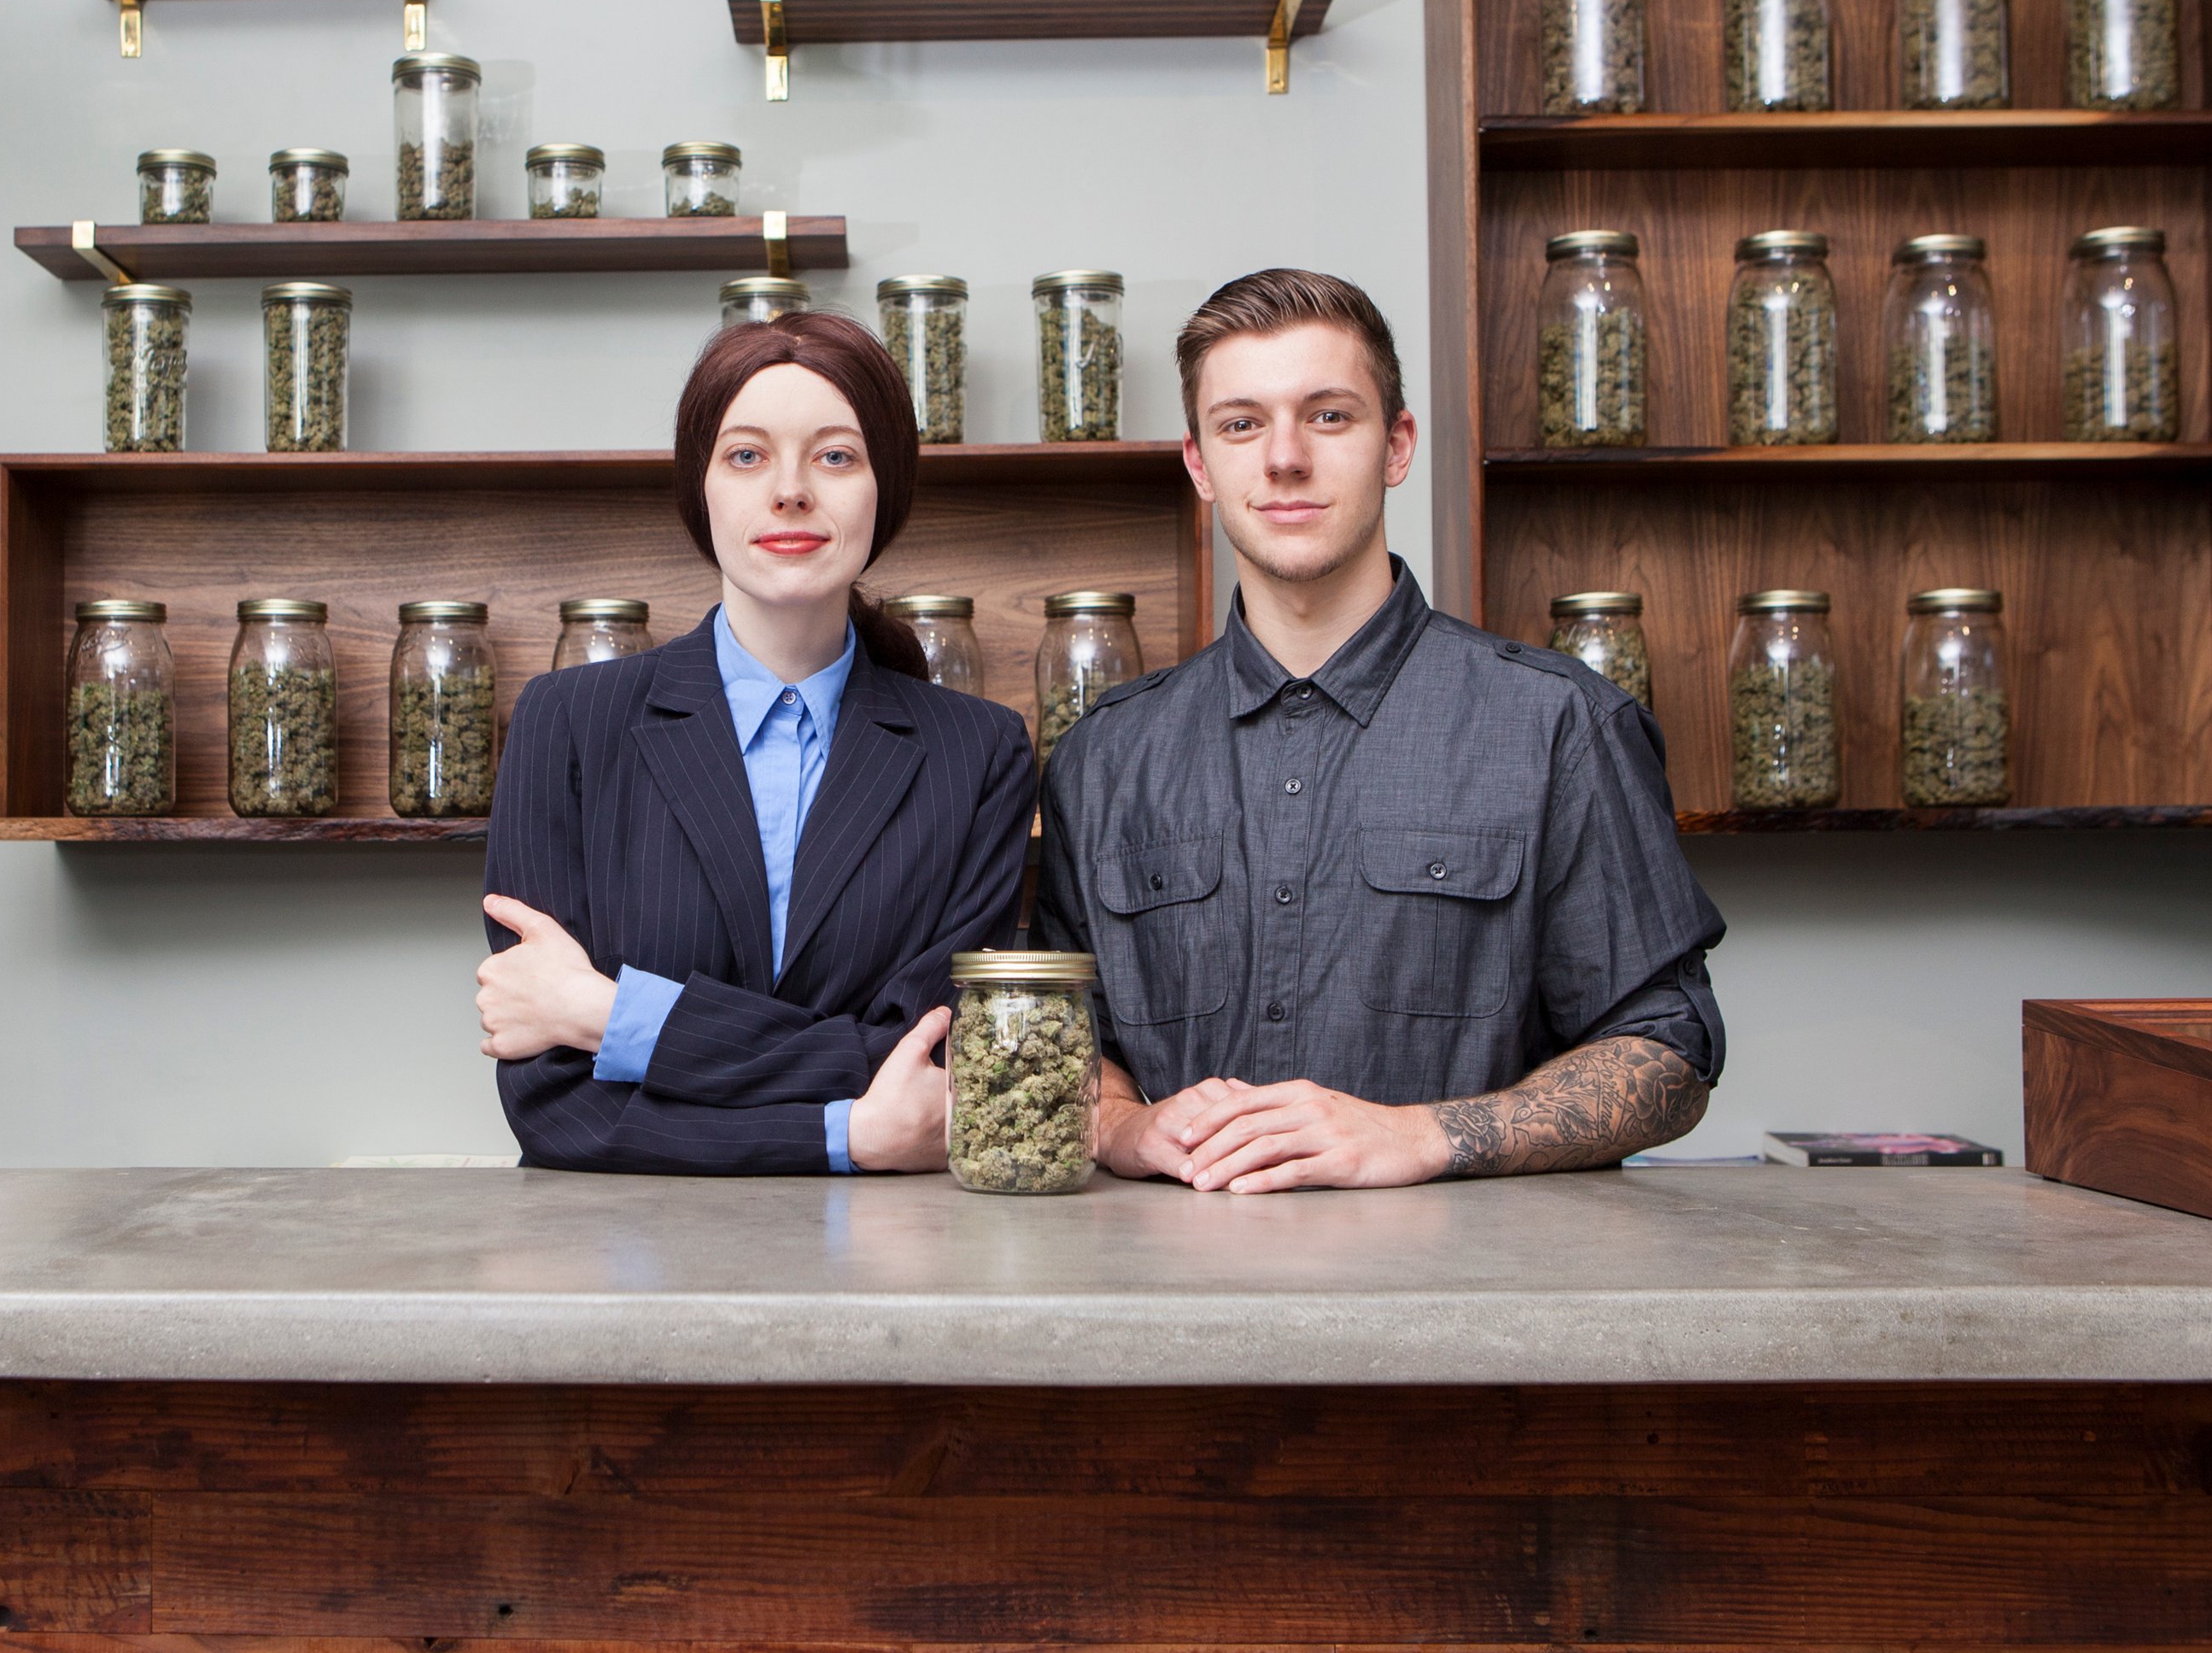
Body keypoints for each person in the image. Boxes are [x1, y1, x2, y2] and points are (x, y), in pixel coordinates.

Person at [1034, 268, 1724, 1193]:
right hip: (1167, 1300)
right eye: (1241, 423)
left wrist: (1422, 1135)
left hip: (1473, 1298)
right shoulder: (1102, 759)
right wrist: (1121, 1125)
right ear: (1201, 463)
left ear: (1396, 445)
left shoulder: (1561, 726)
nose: (1283, 457)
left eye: (1328, 416)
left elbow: (1666, 1054)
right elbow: (1064, 1032)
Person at [477, 313, 1038, 1173]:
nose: (790, 490)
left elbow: (919, 1057)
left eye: (836, 455)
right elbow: (557, 1107)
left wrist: (605, 1014)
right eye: (746, 455)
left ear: (885, 487)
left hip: (890, 1263)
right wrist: (842, 1134)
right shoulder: (567, 724)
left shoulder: (981, 756)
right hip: (619, 1261)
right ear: (700, 488)